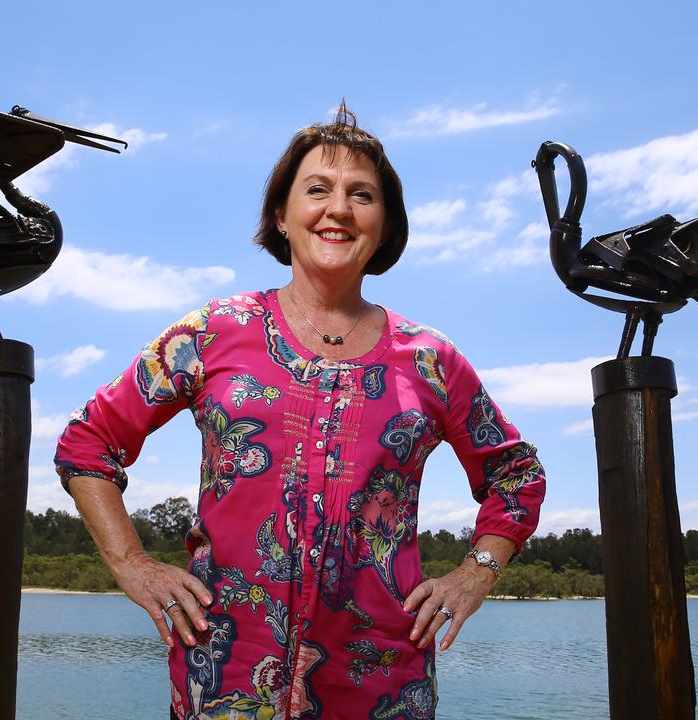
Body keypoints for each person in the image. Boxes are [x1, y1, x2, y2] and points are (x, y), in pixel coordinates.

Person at [54, 105, 546, 719]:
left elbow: (516, 474)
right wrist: (131, 564)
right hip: (224, 676)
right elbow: (88, 440)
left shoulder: (431, 360)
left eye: (361, 194)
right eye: (317, 189)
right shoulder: (212, 333)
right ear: (281, 217)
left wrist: (474, 573)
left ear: (384, 223)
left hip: (382, 683)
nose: (338, 208)